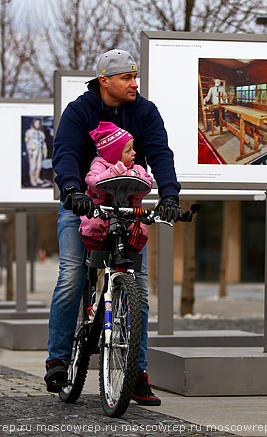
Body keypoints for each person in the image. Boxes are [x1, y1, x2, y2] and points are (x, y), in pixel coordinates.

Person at [46, 48, 183, 407]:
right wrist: (72, 191)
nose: (134, 84)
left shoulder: (145, 112)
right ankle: (58, 360)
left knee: (136, 286)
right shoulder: (80, 111)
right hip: (83, 206)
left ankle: (137, 375)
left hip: (129, 210)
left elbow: (160, 154)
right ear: (104, 81)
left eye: (136, 77)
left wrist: (169, 195)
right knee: (72, 274)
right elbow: (64, 153)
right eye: (126, 78)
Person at [79, 122, 152, 253]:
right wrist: (114, 172)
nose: (134, 153)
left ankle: (130, 257)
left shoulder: (136, 168)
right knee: (94, 225)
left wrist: (132, 176)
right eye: (128, 150)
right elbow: (94, 182)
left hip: (128, 215)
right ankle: (96, 252)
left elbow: (146, 185)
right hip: (103, 213)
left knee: (139, 230)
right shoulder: (99, 166)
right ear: (114, 154)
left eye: (133, 148)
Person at [24, 118, 48, 187]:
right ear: (33, 123)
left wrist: (45, 152)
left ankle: (37, 178)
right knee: (33, 166)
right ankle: (32, 179)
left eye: (39, 123)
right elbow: (27, 142)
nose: (37, 124)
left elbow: (44, 143)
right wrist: (29, 150)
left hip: (39, 151)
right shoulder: (29, 132)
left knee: (39, 166)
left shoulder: (41, 134)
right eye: (36, 123)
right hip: (33, 151)